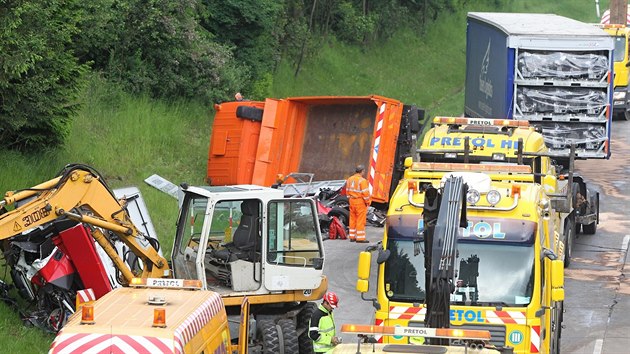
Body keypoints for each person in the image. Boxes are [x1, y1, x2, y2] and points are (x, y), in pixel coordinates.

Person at [346, 164, 370, 243]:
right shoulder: (362, 181)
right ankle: (360, 238)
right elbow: (365, 194)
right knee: (360, 220)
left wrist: (350, 199)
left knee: (352, 219)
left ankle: (352, 237)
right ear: (362, 171)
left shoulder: (349, 179)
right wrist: (368, 202)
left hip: (352, 201)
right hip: (360, 202)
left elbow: (347, 191)